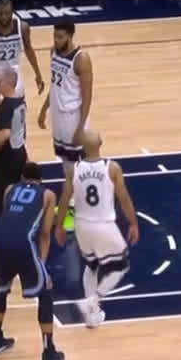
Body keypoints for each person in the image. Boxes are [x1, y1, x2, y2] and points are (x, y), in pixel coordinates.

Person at [55, 130, 137, 328]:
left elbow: (64, 199)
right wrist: (133, 222)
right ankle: (93, 300)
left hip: (81, 226)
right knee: (121, 266)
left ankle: (92, 317)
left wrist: (59, 226)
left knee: (91, 265)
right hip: (104, 224)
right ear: (100, 144)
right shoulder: (112, 167)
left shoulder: (73, 169)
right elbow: (124, 198)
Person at [0, 161, 64, 360]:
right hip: (23, 245)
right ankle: (49, 352)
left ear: (22, 177)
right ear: (41, 179)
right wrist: (42, 266)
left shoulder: (9, 189)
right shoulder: (48, 195)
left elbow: (9, 217)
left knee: (1, 288)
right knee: (45, 292)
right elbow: (45, 233)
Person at [37, 22, 93, 215]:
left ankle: (75, 205)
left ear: (70, 36)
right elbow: (54, 86)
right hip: (57, 114)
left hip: (72, 116)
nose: (56, 40)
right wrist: (44, 109)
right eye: (55, 36)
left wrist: (81, 126)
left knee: (74, 164)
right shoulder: (53, 52)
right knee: (64, 160)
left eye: (60, 37)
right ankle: (73, 200)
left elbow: (87, 95)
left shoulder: (81, 59)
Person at [0, 0, 46, 123]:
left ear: (12, 12)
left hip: (13, 75)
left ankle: (13, 134)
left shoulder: (23, 27)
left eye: (7, 13)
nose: (3, 17)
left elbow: (29, 49)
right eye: (0, 14)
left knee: (17, 111)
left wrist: (38, 74)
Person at [0, 68, 29, 223]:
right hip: (19, 153)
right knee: (17, 197)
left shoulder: (6, 107)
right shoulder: (20, 102)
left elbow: (5, 133)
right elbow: (2, 108)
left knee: (3, 198)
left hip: (7, 159)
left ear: (7, 84)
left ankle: (5, 225)